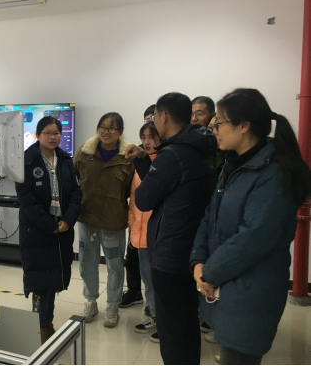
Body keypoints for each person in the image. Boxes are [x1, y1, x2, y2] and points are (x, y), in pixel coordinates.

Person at [191, 88, 311, 365]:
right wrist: (197, 259)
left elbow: (253, 237)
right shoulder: (233, 165)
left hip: (252, 291)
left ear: (244, 126)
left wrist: (209, 272)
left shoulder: (273, 172)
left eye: (219, 123)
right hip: (227, 284)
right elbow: (210, 216)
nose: (214, 130)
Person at [125, 93, 217, 365]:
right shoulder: (199, 147)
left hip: (170, 252)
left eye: (154, 116)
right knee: (185, 322)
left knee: (173, 330)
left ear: (163, 116)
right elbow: (168, 187)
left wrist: (148, 166)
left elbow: (144, 199)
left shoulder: (172, 154)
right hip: (190, 246)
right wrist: (144, 160)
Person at [15, 117, 83, 344]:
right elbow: (26, 199)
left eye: (56, 133)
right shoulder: (26, 161)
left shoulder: (65, 159)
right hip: (37, 232)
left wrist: (68, 221)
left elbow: (76, 193)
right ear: (38, 135)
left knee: (53, 281)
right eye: (47, 133)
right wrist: (49, 224)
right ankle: (41, 327)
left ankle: (46, 323)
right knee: (39, 283)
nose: (53, 137)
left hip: (61, 231)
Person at [74, 112, 134, 328]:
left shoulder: (128, 156)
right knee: (86, 263)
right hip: (87, 219)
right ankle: (90, 301)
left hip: (113, 220)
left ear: (120, 132)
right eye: (103, 127)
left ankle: (112, 305)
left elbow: (131, 189)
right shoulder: (85, 151)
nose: (106, 132)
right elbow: (75, 178)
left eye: (112, 128)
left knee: (115, 265)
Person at [120, 107, 155, 310]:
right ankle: (135, 293)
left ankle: (155, 312)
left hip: (155, 228)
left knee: (152, 275)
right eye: (144, 135)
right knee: (133, 262)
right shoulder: (137, 156)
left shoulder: (165, 159)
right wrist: (131, 217)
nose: (147, 140)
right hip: (137, 223)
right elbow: (133, 193)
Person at [129, 122, 161, 342]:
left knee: (158, 281)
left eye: (152, 136)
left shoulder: (164, 164)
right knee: (147, 279)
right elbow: (134, 198)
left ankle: (161, 319)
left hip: (157, 235)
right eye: (143, 137)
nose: (147, 142)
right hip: (140, 233)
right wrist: (132, 223)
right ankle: (154, 314)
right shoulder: (140, 162)